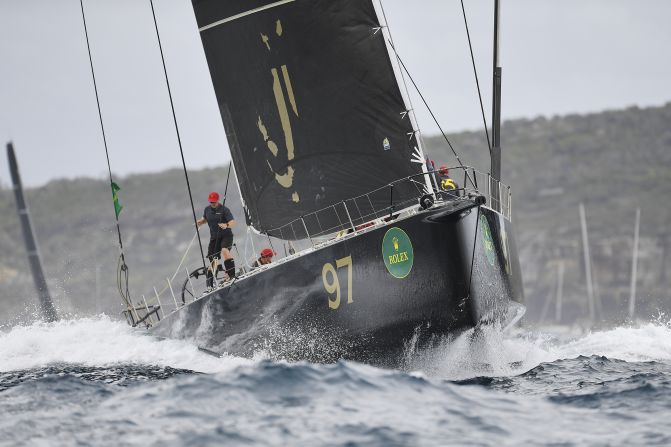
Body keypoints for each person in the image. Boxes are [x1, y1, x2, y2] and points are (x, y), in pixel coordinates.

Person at [196, 191, 236, 287]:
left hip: (226, 235)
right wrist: (201, 221)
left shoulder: (225, 210)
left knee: (224, 250)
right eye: (211, 202)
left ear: (217, 200)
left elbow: (233, 222)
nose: (212, 203)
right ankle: (210, 285)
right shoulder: (207, 209)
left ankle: (231, 275)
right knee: (213, 260)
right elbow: (206, 219)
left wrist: (226, 225)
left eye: (214, 201)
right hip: (214, 238)